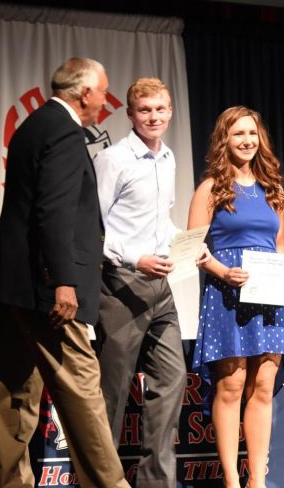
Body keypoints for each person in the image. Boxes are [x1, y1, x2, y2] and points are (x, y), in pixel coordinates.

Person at [0, 57, 130, 488]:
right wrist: (63, 281)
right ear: (85, 93)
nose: (104, 101)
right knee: (81, 390)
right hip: (46, 287)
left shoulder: (34, 125)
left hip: (11, 282)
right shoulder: (63, 131)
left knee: (11, 392)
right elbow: (54, 212)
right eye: (103, 92)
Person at [188, 106, 284, 488]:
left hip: (270, 296)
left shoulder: (273, 189)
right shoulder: (211, 188)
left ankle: (257, 480)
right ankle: (231, 481)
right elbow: (193, 246)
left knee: (264, 385)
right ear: (225, 139)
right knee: (232, 384)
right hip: (227, 294)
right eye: (238, 134)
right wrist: (223, 272)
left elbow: (281, 243)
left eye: (252, 134)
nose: (247, 141)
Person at [94, 77, 191, 488]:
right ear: (131, 114)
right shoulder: (113, 159)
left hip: (160, 288)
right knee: (112, 391)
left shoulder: (167, 158)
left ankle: (155, 482)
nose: (154, 117)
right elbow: (93, 229)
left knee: (172, 379)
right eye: (145, 110)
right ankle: (102, 481)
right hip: (121, 285)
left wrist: (189, 245)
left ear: (170, 112)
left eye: (161, 109)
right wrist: (137, 258)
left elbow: (160, 222)